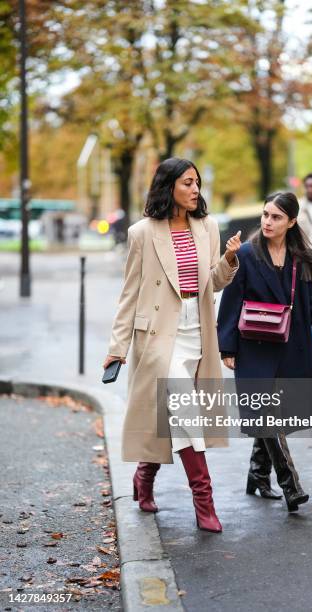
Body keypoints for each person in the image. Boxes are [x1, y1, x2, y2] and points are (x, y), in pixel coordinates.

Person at [103, 157, 241, 532]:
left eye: (197, 183)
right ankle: (204, 501)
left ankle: (143, 478)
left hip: (199, 332)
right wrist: (117, 347)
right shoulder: (142, 233)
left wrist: (229, 259)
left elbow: (214, 281)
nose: (195, 189)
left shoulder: (208, 226)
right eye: (187, 183)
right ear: (168, 187)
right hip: (161, 338)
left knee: (176, 416)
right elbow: (129, 294)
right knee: (184, 413)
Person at [217, 192, 312, 512]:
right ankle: (291, 485)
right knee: (265, 414)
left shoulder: (304, 259)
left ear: (292, 222)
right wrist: (226, 346)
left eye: (276, 217)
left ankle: (257, 474)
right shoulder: (245, 253)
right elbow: (231, 301)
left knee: (274, 413)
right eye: (265, 215)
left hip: (291, 345)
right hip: (254, 345)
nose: (268, 222)